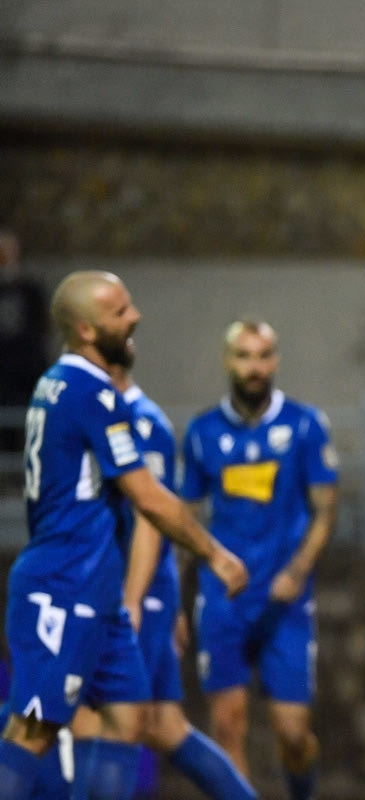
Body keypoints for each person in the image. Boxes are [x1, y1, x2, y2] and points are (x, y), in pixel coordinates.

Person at [0, 270, 248, 800]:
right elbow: (148, 498)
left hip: (98, 589)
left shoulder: (56, 382)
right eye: (120, 312)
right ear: (87, 330)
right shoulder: (93, 393)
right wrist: (214, 554)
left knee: (130, 718)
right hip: (63, 583)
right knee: (33, 728)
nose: (135, 317)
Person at [41, 360, 259, 800]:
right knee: (163, 725)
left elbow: (152, 519)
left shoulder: (142, 422)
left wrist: (133, 600)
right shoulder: (101, 416)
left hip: (131, 595)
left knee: (96, 719)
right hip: (133, 594)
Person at [179, 318, 338, 800]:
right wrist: (175, 595)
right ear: (228, 361)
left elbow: (325, 510)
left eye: (263, 356)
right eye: (244, 356)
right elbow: (182, 519)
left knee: (293, 734)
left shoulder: (305, 425)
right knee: (228, 727)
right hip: (223, 600)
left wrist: (297, 571)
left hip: (284, 602)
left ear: (276, 361)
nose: (254, 367)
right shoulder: (203, 432)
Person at [0, 228, 51, 490]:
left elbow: (41, 327)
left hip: (27, 371)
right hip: (3, 376)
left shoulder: (30, 289)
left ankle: (30, 481)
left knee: (33, 428)